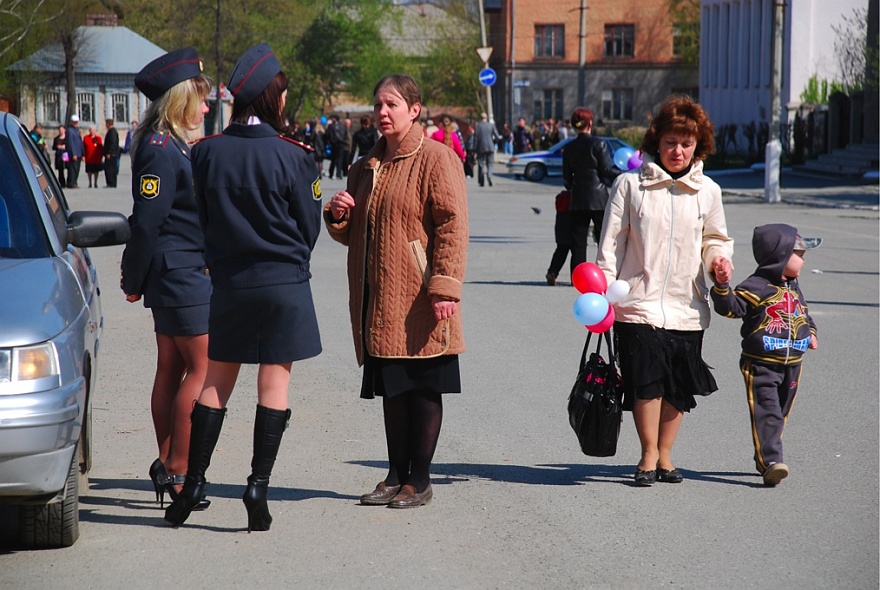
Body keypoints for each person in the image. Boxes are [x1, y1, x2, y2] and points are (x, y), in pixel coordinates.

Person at [165, 42, 323, 532]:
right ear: (272, 96)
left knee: (215, 385)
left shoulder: (205, 153)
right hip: (284, 285)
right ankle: (257, 486)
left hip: (230, 284)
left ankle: (193, 483)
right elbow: (309, 229)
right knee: (273, 385)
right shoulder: (295, 156)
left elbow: (205, 223)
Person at [325, 74, 468, 509]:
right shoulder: (364, 166)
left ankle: (419, 480)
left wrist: (444, 286)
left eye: (391, 104)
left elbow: (453, 226)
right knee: (393, 389)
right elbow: (358, 235)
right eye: (378, 105)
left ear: (414, 109)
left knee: (423, 388)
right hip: (380, 297)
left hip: (423, 297)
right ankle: (394, 473)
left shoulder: (437, 159)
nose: (382, 112)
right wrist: (339, 215)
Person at [597, 94, 733, 486]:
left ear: (698, 147)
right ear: (657, 141)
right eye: (672, 141)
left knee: (677, 386)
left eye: (686, 144)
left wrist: (719, 264)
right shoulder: (630, 186)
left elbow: (715, 240)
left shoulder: (708, 191)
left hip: (686, 305)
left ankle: (667, 455)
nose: (678, 151)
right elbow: (610, 245)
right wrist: (606, 295)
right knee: (646, 380)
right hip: (636, 302)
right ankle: (647, 454)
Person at [121, 47, 213, 511]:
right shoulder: (162, 151)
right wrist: (132, 278)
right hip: (180, 276)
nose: (206, 106)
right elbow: (147, 224)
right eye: (199, 97)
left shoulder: (171, 145)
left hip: (176, 273)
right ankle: (178, 471)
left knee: (172, 370)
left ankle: (167, 464)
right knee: (200, 370)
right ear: (179, 100)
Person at [710, 224, 820, 486]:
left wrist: (811, 331)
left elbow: (802, 313)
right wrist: (722, 287)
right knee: (767, 411)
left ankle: (768, 451)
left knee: (780, 413)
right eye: (799, 254)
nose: (804, 260)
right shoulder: (755, 286)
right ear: (780, 255)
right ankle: (770, 461)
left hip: (793, 363)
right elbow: (732, 310)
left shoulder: (792, 285)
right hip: (762, 364)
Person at [558, 107, 620, 282]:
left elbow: (566, 178)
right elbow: (606, 170)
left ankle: (577, 278)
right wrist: (623, 174)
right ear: (590, 122)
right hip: (599, 198)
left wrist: (574, 186)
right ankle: (605, 275)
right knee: (604, 239)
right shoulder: (599, 143)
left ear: (574, 125)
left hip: (578, 198)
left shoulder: (568, 148)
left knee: (578, 241)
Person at [544, 189, 573, 286]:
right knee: (577, 250)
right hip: (573, 224)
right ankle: (576, 277)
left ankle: (552, 272)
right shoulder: (576, 197)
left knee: (561, 249)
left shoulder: (562, 197)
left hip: (561, 227)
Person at [474, 112, 499, 187]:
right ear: (486, 118)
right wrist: (494, 143)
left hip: (481, 147)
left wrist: (475, 148)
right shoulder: (491, 125)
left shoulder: (478, 126)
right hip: (490, 147)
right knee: (490, 163)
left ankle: (481, 181)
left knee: (481, 164)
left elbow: (476, 138)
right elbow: (497, 136)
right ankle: (489, 175)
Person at [66, 114, 84, 188]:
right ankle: (72, 183)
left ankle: (74, 182)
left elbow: (80, 142)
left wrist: (83, 153)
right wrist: (73, 153)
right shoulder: (70, 131)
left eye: (77, 122)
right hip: (74, 153)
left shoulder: (77, 130)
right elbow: (70, 143)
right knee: (73, 169)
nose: (76, 123)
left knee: (77, 169)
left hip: (78, 153)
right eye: (74, 122)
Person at [103, 118, 120, 188]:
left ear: (108, 124)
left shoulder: (112, 132)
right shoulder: (111, 131)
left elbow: (112, 143)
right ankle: (111, 183)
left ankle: (111, 183)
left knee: (110, 169)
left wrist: (109, 152)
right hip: (112, 153)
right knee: (110, 169)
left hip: (111, 154)